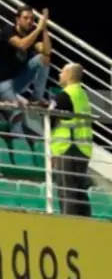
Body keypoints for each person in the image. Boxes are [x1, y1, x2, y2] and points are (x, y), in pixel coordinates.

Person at [50, 62, 93, 217]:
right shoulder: (82, 94)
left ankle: (69, 226)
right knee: (80, 191)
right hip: (83, 149)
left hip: (68, 147)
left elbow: (50, 119)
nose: (59, 75)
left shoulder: (64, 95)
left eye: (62, 72)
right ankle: (86, 225)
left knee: (67, 191)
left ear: (68, 75)